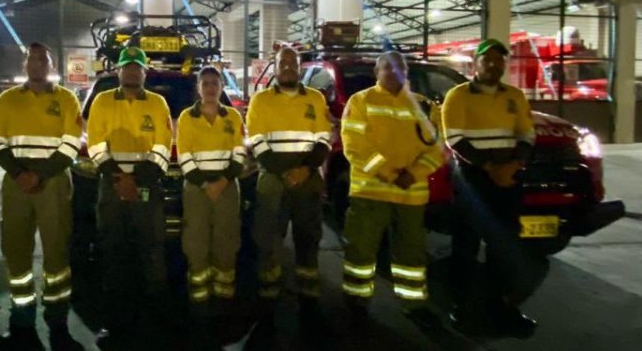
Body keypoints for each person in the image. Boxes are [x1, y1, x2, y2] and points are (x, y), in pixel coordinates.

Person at [441, 38, 544, 337]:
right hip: (472, 181)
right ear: (476, 64)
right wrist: (490, 169)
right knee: (466, 246)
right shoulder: (458, 96)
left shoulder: (514, 96)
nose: (494, 66)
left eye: (499, 61)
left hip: (508, 179)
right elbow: (455, 139)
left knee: (504, 247)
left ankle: (501, 307)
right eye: (488, 60)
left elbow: (527, 133)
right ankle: (461, 305)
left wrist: (513, 166)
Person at [339, 51, 443, 325]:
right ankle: (356, 300)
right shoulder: (361, 101)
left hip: (411, 196)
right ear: (376, 71)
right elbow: (354, 145)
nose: (393, 72)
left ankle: (413, 302)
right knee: (360, 252)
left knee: (412, 253)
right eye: (387, 67)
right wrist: (390, 173)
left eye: (399, 68)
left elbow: (437, 150)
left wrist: (414, 173)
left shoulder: (425, 107)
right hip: (370, 192)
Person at [0, 43, 82, 345]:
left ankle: (56, 311)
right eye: (34, 59)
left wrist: (38, 175)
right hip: (17, 184)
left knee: (55, 246)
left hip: (52, 182)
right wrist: (19, 174)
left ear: (51, 66)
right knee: (16, 246)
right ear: (25, 64)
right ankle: (22, 310)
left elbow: (70, 145)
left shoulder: (66, 99)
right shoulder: (7, 99)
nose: (38, 64)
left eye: (44, 59)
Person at [85, 46, 173, 351]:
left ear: (144, 72)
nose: (132, 71)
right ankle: (114, 322)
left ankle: (154, 320)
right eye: (127, 67)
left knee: (151, 250)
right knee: (114, 252)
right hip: (113, 187)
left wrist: (137, 180)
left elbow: (164, 144)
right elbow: (95, 144)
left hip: (145, 187)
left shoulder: (159, 103)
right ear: (118, 71)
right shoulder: (102, 101)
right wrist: (120, 180)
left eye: (137, 67)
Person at [246, 46, 332, 309]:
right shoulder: (261, 100)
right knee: (270, 233)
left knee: (308, 232)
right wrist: (283, 171)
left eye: (292, 63)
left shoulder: (315, 99)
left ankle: (307, 280)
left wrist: (305, 169)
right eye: (283, 63)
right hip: (273, 174)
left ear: (299, 66)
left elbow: (324, 138)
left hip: (306, 172)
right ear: (274, 66)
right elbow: (256, 140)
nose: (287, 67)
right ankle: (269, 283)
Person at [176, 66, 246, 309]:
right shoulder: (186, 117)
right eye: (205, 84)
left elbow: (239, 155)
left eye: (215, 83)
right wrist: (206, 184)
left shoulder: (233, 117)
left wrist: (223, 182)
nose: (210, 88)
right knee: (196, 238)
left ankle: (224, 288)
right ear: (198, 88)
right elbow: (184, 156)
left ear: (221, 87)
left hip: (227, 185)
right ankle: (199, 290)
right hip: (198, 187)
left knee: (226, 237)